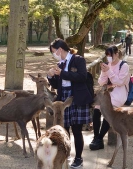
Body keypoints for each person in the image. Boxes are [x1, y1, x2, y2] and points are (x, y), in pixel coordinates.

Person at [47, 38, 93, 168]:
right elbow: (57, 85)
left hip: (77, 97)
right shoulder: (60, 64)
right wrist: (50, 76)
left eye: (54, 51)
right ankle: (65, 156)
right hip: (63, 98)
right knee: (64, 130)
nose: (53, 54)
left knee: (77, 130)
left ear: (60, 49)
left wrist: (63, 73)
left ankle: (78, 158)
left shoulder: (78, 60)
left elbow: (82, 77)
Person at [89, 46, 130, 150]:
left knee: (108, 111)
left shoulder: (124, 65)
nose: (109, 57)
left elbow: (120, 82)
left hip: (119, 93)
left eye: (110, 55)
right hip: (107, 93)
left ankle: (99, 139)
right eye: (107, 55)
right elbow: (101, 82)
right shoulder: (107, 65)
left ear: (116, 54)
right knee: (97, 110)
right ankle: (96, 137)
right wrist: (104, 72)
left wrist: (109, 72)